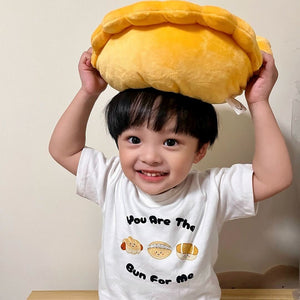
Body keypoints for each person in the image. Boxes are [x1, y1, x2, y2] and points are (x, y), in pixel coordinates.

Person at [49, 48, 292, 299]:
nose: (151, 157)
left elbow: (275, 178)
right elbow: (63, 151)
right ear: (118, 142)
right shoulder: (112, 180)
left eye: (171, 142)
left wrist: (258, 102)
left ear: (199, 151)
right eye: (134, 139)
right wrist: (88, 92)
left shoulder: (212, 190)